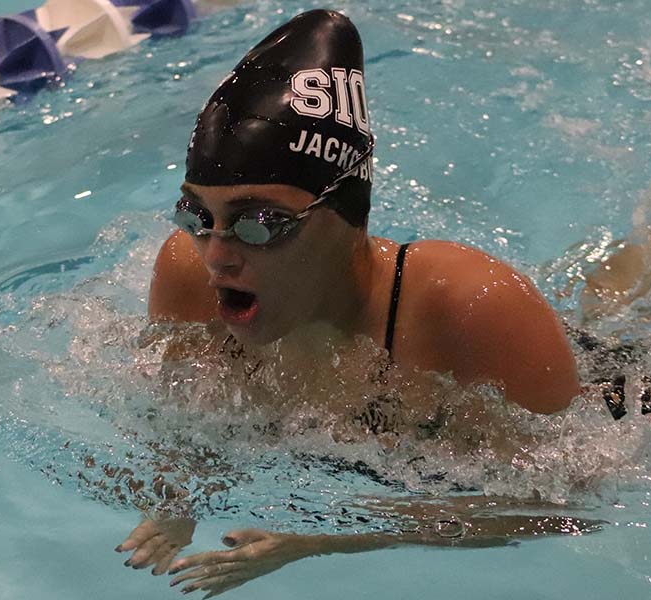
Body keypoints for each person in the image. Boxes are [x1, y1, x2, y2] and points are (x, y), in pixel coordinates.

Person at [117, 8, 587, 595]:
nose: (216, 256)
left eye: (260, 223)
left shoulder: (465, 304)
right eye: (197, 215)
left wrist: (339, 533)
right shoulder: (186, 273)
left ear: (346, 216)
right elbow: (184, 421)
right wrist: (178, 497)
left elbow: (569, 505)